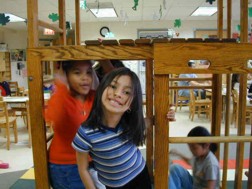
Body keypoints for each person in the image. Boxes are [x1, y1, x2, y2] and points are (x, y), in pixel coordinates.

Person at [72, 67, 154, 188]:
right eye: (113, 86)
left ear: (131, 104)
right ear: (102, 89)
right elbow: (83, 169)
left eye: (126, 92)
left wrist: (168, 115)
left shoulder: (130, 123)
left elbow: (151, 121)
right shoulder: (85, 133)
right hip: (113, 186)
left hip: (140, 175)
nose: (117, 94)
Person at [45, 60, 106, 189]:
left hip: (91, 162)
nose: (85, 78)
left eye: (89, 72)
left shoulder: (93, 97)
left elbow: (118, 86)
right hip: (67, 166)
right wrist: (60, 82)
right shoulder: (61, 99)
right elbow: (55, 116)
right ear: (66, 75)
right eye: (77, 73)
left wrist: (105, 62)